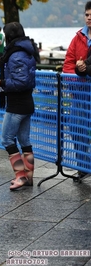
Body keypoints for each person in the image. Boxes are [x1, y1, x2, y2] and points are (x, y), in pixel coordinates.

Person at [0, 22, 36, 191]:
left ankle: (20, 176)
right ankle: (29, 176)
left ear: (10, 36)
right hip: (26, 102)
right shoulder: (27, 51)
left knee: (7, 139)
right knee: (25, 141)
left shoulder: (16, 54)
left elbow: (21, 81)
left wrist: (1, 82)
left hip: (17, 104)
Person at [62, 1, 91, 179]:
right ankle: (83, 166)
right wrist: (76, 80)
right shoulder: (77, 37)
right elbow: (67, 64)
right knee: (76, 129)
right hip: (79, 95)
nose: (89, 18)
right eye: (87, 15)